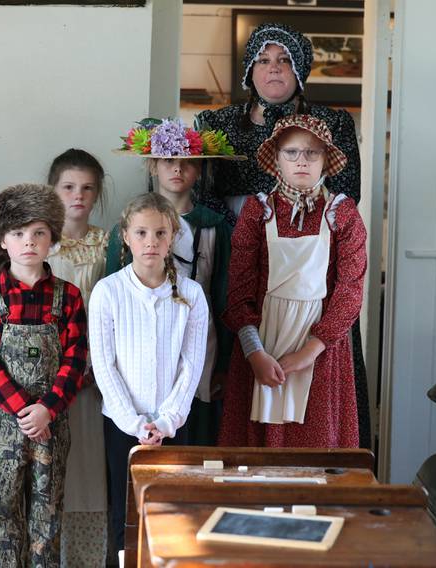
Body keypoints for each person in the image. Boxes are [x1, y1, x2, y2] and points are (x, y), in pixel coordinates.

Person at [192, 22, 370, 449]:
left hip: (316, 285)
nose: (274, 70)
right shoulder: (217, 123)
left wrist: (314, 345)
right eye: (264, 60)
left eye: (286, 60)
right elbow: (203, 194)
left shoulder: (333, 128)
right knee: (240, 386)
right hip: (243, 269)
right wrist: (251, 227)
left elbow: (350, 196)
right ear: (249, 70)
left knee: (317, 421)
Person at [218, 114, 366, 448]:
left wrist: (310, 351)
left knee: (314, 446)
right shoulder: (258, 212)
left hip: (321, 349)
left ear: (326, 160)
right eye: (292, 152)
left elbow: (350, 290)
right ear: (276, 160)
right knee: (256, 450)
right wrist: (254, 352)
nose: (302, 161)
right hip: (262, 344)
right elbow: (239, 290)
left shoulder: (342, 214)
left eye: (312, 153)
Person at [0, 183, 87, 567]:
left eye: (39, 232)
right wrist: (25, 410)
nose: (29, 242)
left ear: (52, 238)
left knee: (47, 518)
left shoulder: (69, 297)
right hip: (2, 427)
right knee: (2, 518)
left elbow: (76, 360)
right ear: (3, 240)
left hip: (51, 426)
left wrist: (47, 410)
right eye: (18, 233)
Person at [89, 192, 208, 552]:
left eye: (160, 233)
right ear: (126, 236)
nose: (151, 242)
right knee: (126, 513)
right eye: (141, 233)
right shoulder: (108, 292)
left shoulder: (191, 294)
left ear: (173, 236)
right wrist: (136, 423)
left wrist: (168, 420)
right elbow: (104, 365)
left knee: (173, 513)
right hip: (124, 424)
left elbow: (191, 364)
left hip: (174, 422)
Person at [107, 118, 232, 445]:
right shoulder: (128, 226)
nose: (177, 169)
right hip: (136, 355)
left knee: (195, 435)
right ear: (152, 166)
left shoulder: (214, 228)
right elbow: (112, 290)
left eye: (187, 163)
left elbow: (223, 296)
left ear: (199, 170)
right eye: (168, 161)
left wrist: (224, 361)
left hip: (196, 342)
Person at [45, 148, 109, 567]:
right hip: (50, 375)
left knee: (90, 467)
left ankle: (87, 558)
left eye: (87, 188)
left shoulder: (111, 242)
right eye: (68, 187)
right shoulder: (37, 243)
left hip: (97, 374)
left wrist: (94, 363)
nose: (78, 196)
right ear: (52, 190)